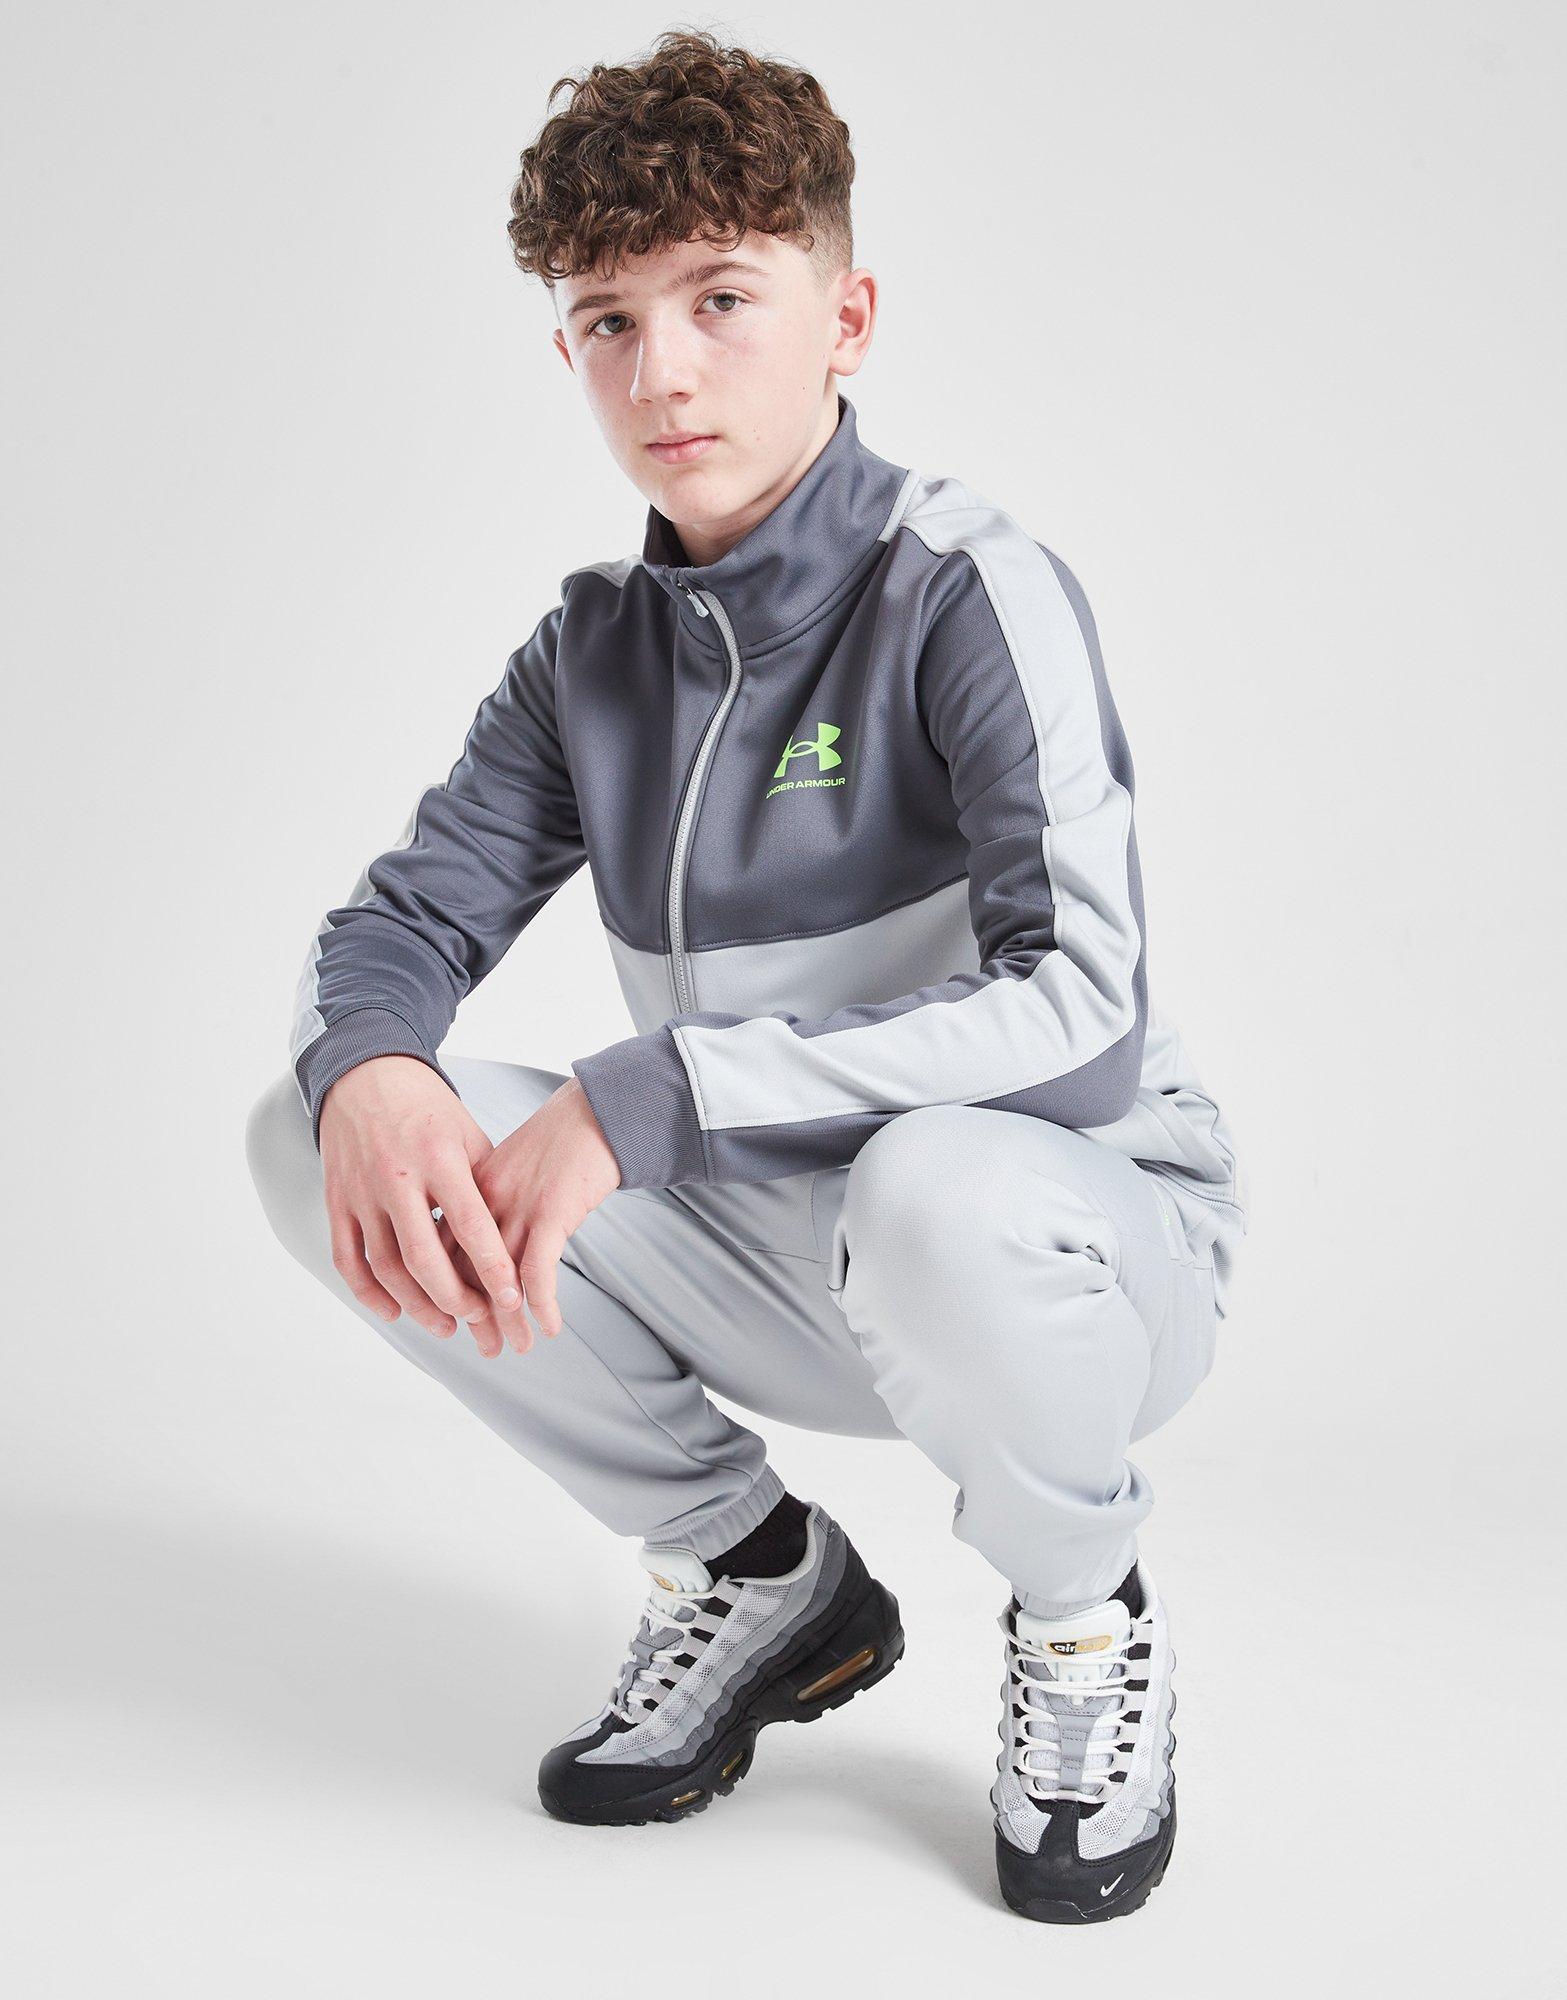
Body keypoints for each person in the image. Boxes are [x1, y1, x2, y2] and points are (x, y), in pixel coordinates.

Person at [245, 27, 1246, 1925]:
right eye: (608, 321)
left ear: (844, 316)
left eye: (720, 298)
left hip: (1076, 1255)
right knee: (317, 1137)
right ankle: (752, 1571)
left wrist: (659, 1092)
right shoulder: (591, 659)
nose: (665, 371)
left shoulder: (966, 590)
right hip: (784, 1251)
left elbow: (1084, 1020)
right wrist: (374, 1069)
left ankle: (1082, 1621)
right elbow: (393, 930)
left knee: (933, 1183)